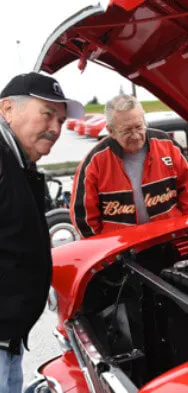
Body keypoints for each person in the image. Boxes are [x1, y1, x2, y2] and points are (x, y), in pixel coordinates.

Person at [0, 72, 84, 393]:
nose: (55, 128)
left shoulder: (20, 161)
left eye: (61, 121)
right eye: (47, 114)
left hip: (10, 338)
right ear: (7, 109)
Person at [70, 94, 188, 238]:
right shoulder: (93, 163)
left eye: (138, 127)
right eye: (127, 131)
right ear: (110, 131)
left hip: (168, 239)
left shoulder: (168, 146)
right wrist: (106, 249)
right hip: (120, 251)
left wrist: (184, 230)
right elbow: (83, 218)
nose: (136, 136)